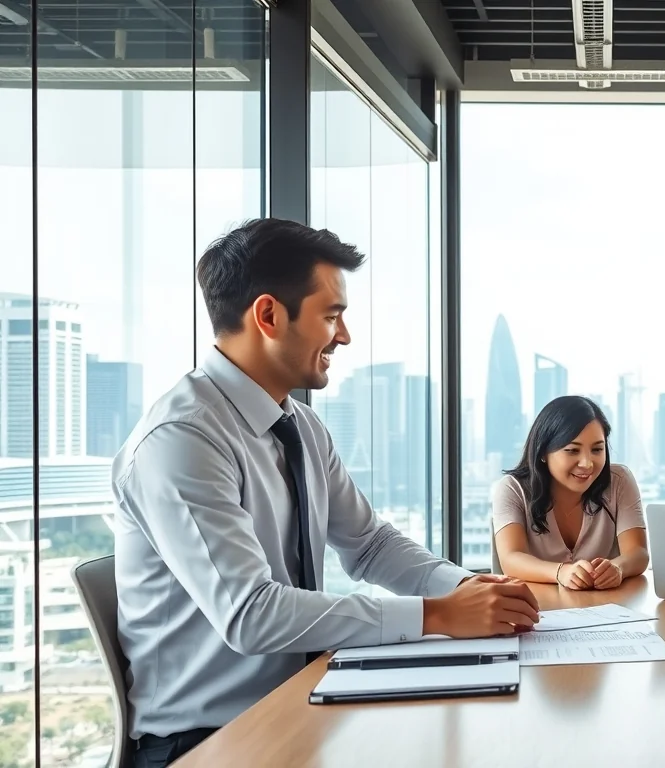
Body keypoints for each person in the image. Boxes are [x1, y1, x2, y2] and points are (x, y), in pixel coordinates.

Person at [112, 219, 540, 768]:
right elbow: (251, 615)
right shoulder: (182, 439)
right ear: (268, 315)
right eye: (332, 315)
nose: (344, 336)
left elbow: (370, 546)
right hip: (206, 741)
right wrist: (437, 615)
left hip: (303, 703)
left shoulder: (301, 427)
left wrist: (471, 589)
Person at [492, 395, 649, 588]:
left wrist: (618, 568)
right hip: (536, 610)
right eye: (572, 451)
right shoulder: (512, 489)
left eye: (597, 450)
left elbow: (638, 552)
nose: (587, 463)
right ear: (543, 452)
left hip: (605, 609)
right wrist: (561, 572)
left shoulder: (619, 481)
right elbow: (511, 559)